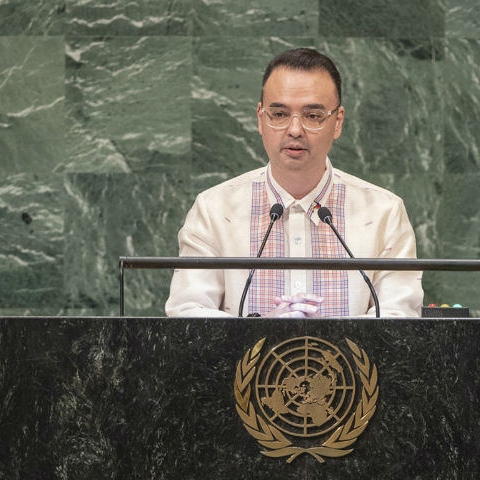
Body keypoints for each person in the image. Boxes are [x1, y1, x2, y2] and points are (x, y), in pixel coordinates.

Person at [165, 48, 423, 318]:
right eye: (279, 114)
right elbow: (188, 312)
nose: (295, 130)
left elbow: (399, 317)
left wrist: (328, 339)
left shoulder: (385, 213)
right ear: (260, 119)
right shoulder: (214, 210)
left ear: (337, 122)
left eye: (313, 116)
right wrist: (264, 336)